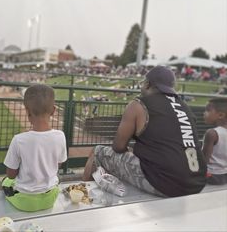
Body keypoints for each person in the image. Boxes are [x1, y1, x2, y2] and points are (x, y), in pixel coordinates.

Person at [83, 65, 207, 197]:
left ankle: (82, 196)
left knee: (97, 151)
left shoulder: (138, 104)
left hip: (165, 184)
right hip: (196, 183)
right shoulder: (185, 107)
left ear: (147, 84)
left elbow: (118, 147)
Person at [2, 84, 67, 211]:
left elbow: (10, 175)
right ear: (54, 110)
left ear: (27, 111)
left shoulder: (19, 140)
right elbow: (58, 164)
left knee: (6, 181)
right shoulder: (60, 136)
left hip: (25, 202)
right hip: (50, 198)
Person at [202, 98, 227, 185]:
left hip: (211, 176)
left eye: (207, 110)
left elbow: (203, 160)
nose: (204, 113)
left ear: (220, 115)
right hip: (224, 176)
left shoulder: (212, 133)